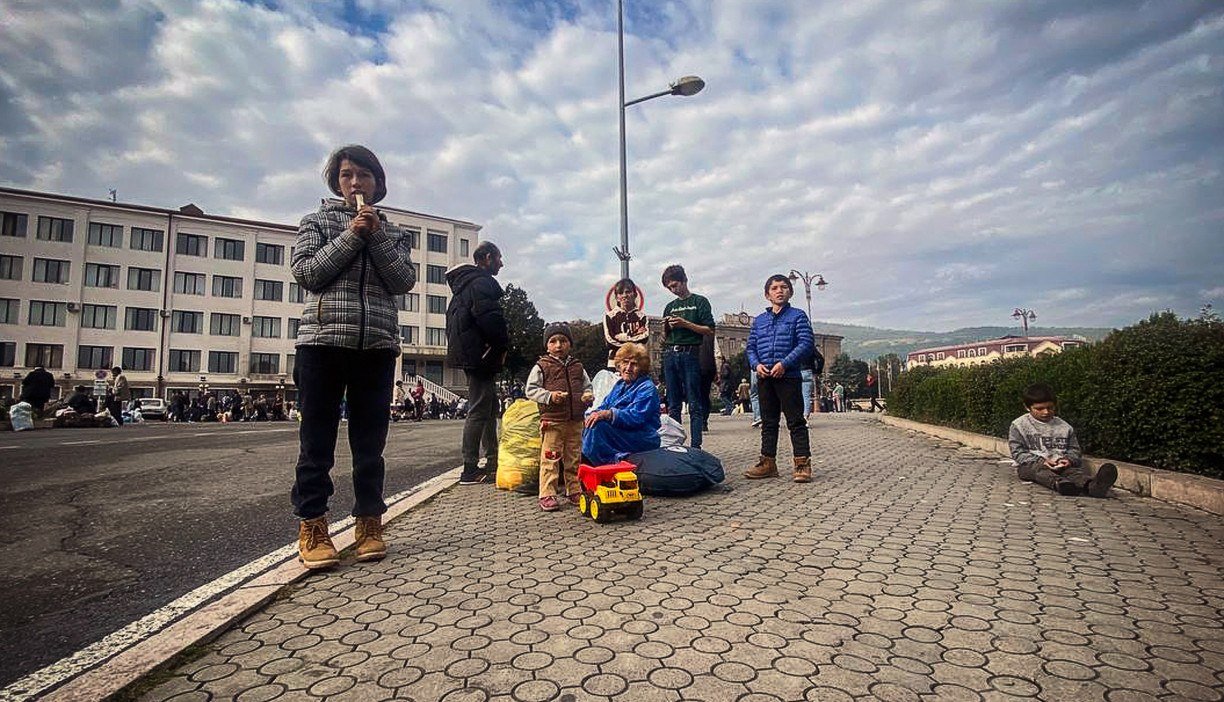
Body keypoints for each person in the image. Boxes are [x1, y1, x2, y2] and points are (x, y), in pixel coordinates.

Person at [290, 144, 416, 569]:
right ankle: (313, 525)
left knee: (369, 445)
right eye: (347, 175)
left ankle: (369, 523)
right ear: (336, 182)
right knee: (317, 444)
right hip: (322, 343)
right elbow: (308, 272)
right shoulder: (317, 221)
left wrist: (375, 233)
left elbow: (402, 280)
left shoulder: (395, 233)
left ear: (378, 183)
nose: (356, 183)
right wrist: (351, 236)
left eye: (363, 175)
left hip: (376, 347)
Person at [446, 241, 510, 485]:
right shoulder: (481, 283)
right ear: (486, 258)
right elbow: (491, 320)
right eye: (498, 258)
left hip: (473, 354)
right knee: (479, 409)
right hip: (481, 355)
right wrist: (502, 345)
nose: (501, 263)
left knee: (489, 408)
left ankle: (493, 460)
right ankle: (469, 468)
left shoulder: (464, 287)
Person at [744, 275, 815, 483]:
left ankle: (802, 464)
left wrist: (785, 364)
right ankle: (767, 463)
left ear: (790, 292)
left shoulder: (798, 316)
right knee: (768, 422)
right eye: (774, 288)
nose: (779, 290)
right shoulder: (759, 321)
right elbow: (750, 348)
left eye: (784, 287)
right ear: (767, 294)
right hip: (765, 376)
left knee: (795, 421)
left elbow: (805, 343)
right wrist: (756, 365)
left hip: (789, 375)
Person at [525, 323, 594, 511]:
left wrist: (588, 396)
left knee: (574, 457)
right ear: (547, 346)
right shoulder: (542, 366)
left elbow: (587, 386)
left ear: (569, 344)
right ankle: (547, 493)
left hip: (575, 420)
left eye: (563, 341)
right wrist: (549, 397)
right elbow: (530, 390)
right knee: (551, 457)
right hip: (553, 420)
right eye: (553, 341)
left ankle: (573, 489)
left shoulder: (578, 366)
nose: (558, 345)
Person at [1010, 383, 1117, 497]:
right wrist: (1041, 461)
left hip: (1060, 465)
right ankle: (1061, 484)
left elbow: (1074, 450)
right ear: (1027, 407)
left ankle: (1092, 487)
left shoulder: (1065, 427)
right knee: (1039, 472)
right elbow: (1018, 452)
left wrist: (1068, 460)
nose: (1046, 412)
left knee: (1073, 473)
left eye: (1050, 408)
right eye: (1039, 409)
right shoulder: (1019, 425)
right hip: (1031, 465)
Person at [659, 265, 716, 450]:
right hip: (670, 354)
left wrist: (685, 323)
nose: (673, 290)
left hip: (691, 353)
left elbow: (709, 329)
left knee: (694, 402)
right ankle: (675, 444)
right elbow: (663, 337)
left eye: (675, 285)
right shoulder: (670, 306)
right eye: (669, 288)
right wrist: (666, 327)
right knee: (673, 403)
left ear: (684, 280)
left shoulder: (700, 301)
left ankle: (696, 445)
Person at [582, 343, 661, 466]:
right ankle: (585, 461)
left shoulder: (647, 388)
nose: (628, 368)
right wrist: (592, 415)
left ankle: (593, 463)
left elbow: (636, 417)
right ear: (619, 364)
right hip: (622, 433)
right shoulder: (620, 385)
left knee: (598, 427)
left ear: (641, 368)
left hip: (642, 436)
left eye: (634, 364)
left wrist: (608, 414)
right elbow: (604, 405)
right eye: (625, 362)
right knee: (588, 422)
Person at [603, 278, 650, 365]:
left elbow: (644, 338)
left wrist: (622, 337)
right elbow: (610, 341)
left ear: (635, 295)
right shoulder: (609, 316)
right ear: (617, 298)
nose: (624, 296)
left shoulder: (642, 317)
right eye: (621, 293)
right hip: (615, 361)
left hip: (636, 361)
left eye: (628, 292)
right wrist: (633, 336)